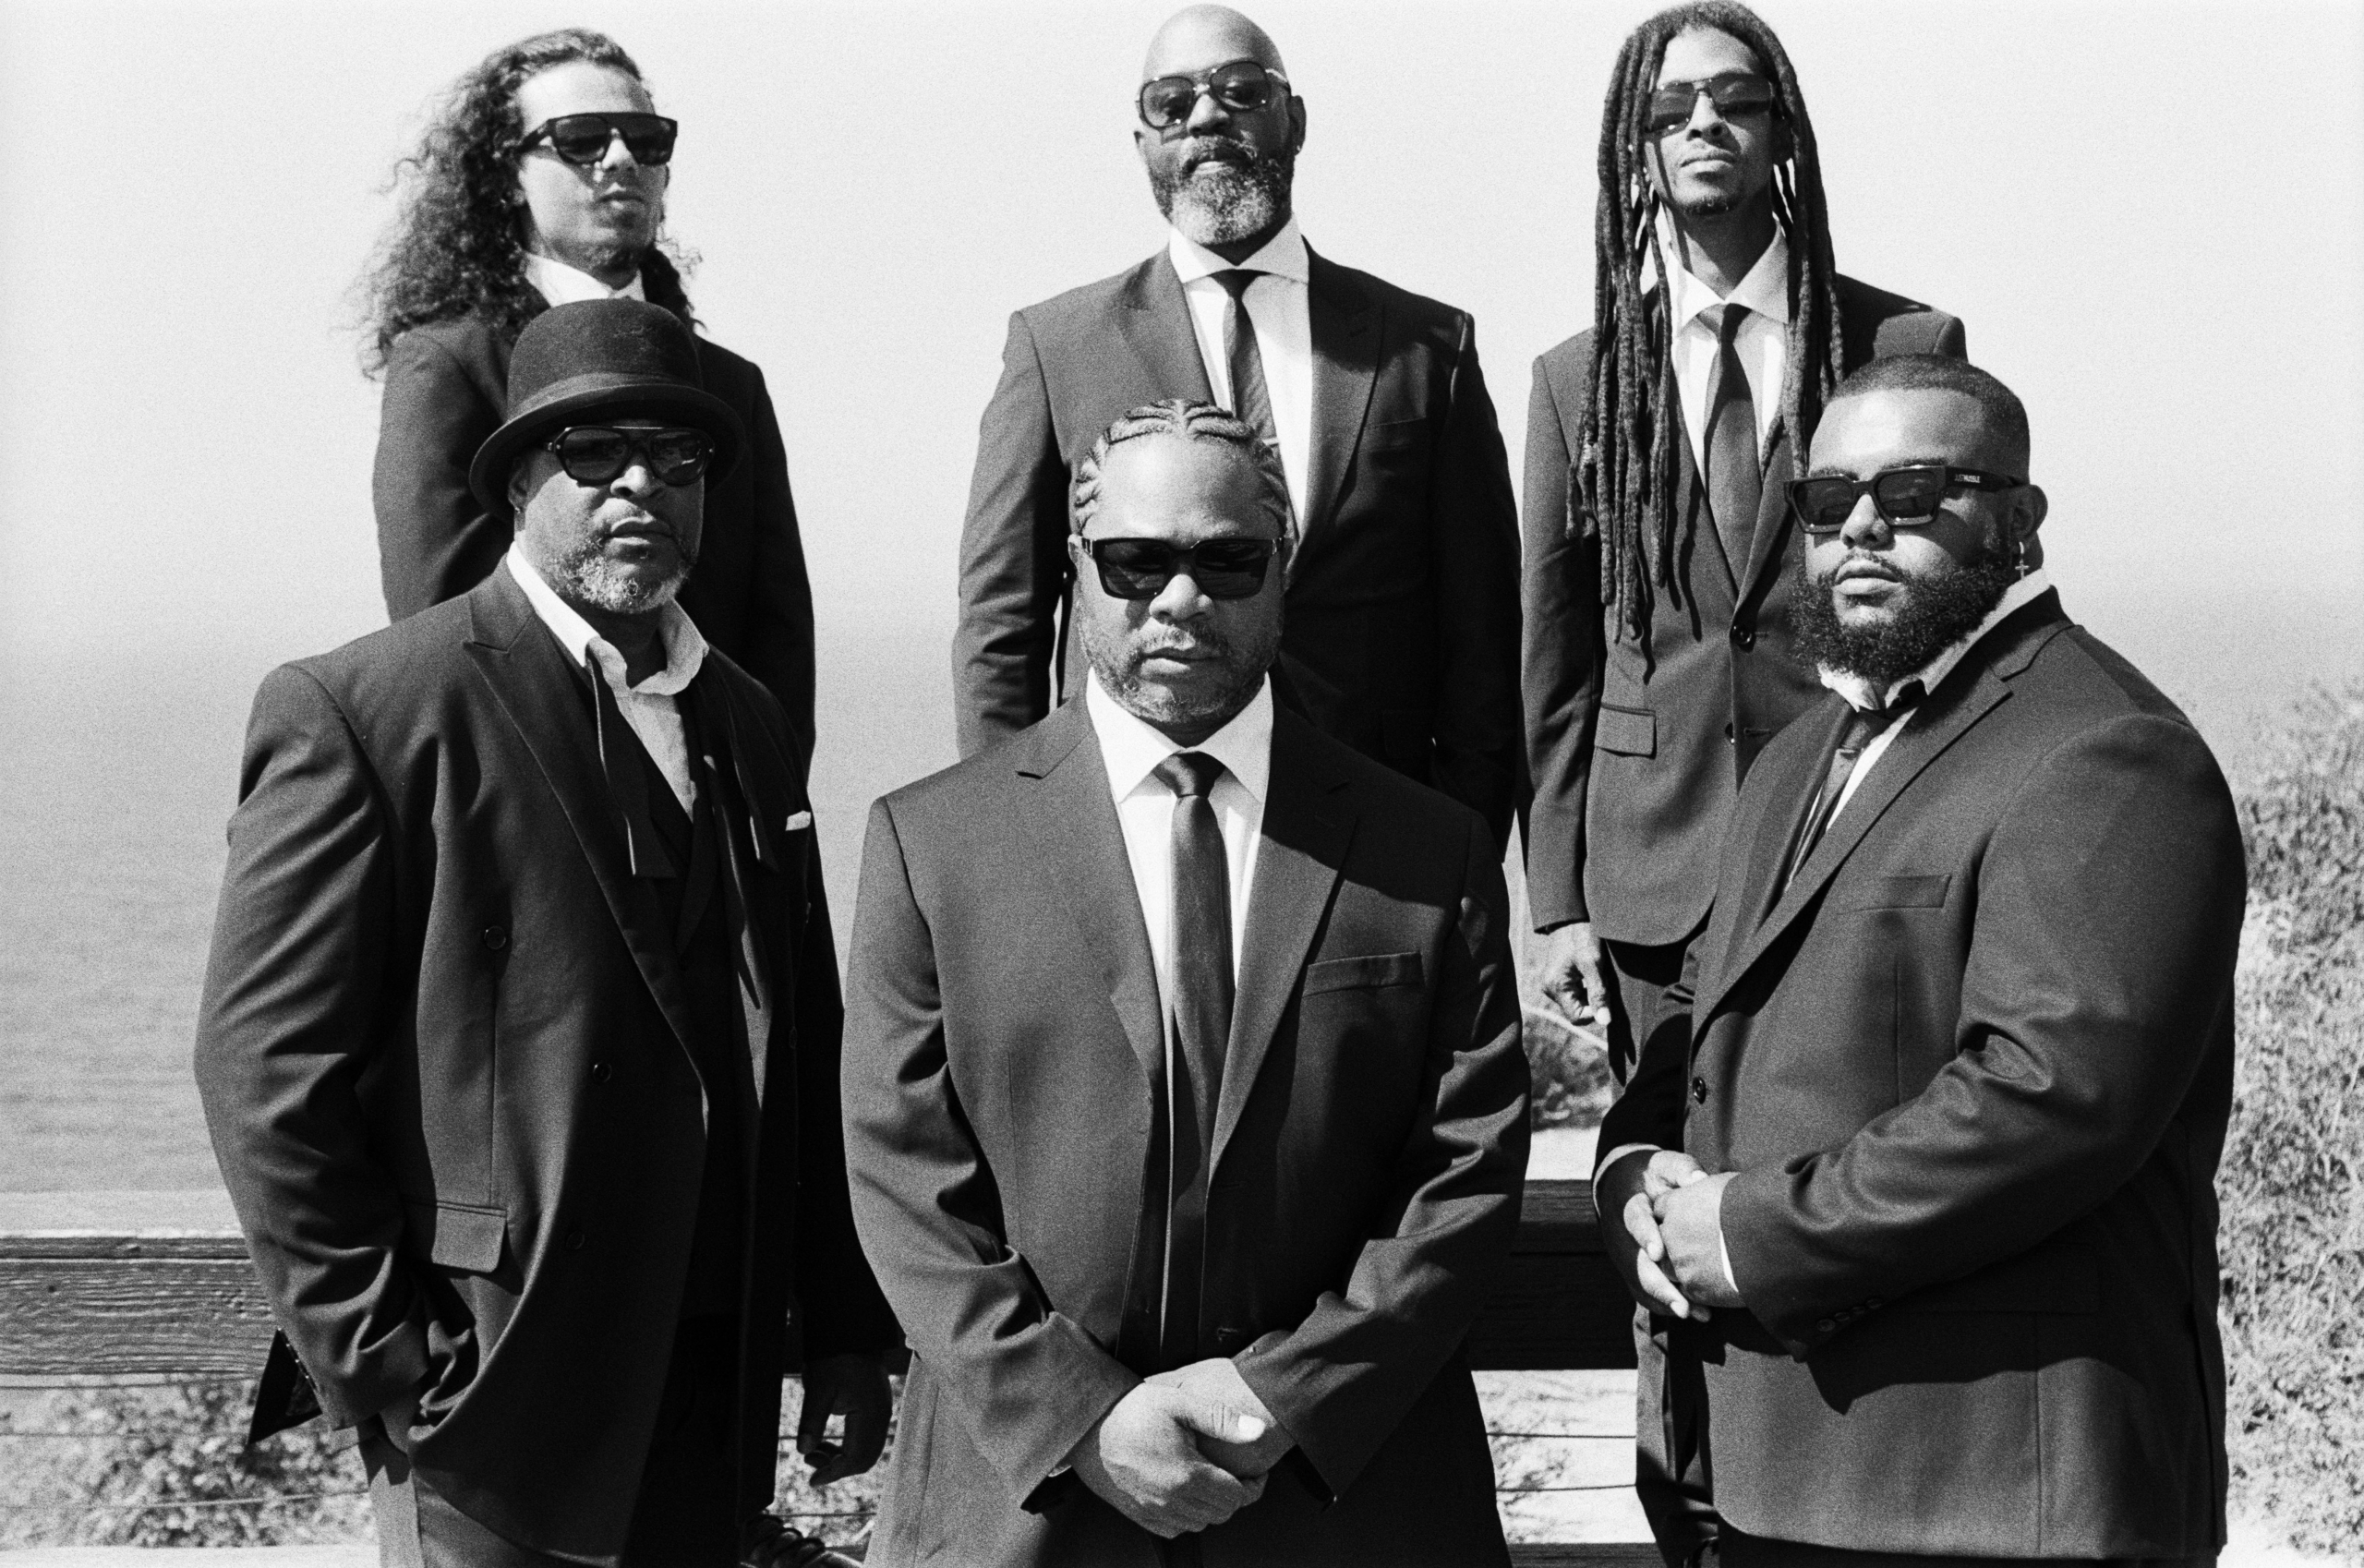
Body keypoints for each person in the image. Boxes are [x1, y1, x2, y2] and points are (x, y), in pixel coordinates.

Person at [195, 300, 897, 1568]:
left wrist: (843, 1327)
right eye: (594, 450)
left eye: (678, 457)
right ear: (519, 479)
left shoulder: (745, 716)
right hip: (489, 1396)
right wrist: (384, 1356)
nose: (641, 484)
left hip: (714, 1380)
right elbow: (264, 1072)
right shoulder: (368, 710)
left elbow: (804, 1031)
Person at [846, 399, 1531, 1565]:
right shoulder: (932, 846)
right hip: (1027, 1512)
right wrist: (1081, 1420)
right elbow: (901, 1172)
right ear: (1075, 566)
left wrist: (1284, 1398)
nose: (1179, 598)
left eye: (1226, 561)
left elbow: (1465, 1168)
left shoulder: (1427, 851)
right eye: (1134, 561)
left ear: (1283, 568)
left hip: (1346, 1506)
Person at [1596, 356, 2245, 1566]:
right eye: (1824, 498)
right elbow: (1698, 1012)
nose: (1858, 527)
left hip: (1996, 1503)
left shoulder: (2110, 750)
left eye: (1909, 491)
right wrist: (1631, 1175)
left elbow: (2046, 1102)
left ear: (2020, 518)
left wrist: (1744, 1236)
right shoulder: (1795, 762)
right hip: (1767, 1482)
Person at [953, 4, 1522, 848]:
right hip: (1135, 820)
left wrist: (1464, 843)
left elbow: (1484, 634)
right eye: (1172, 102)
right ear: (1143, 144)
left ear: (1295, 119)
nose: (1207, 116)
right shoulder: (1057, 348)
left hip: (1376, 840)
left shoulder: (1426, 348)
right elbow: (1002, 626)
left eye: (1241, 90)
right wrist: (1014, 842)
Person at [1524, 0, 1968, 1067]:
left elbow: (1957, 617)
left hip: (1852, 842)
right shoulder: (1575, 381)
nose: (1702, 122)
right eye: (1670, 107)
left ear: (1782, 131)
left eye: (1734, 99)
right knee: (1660, 1154)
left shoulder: (1900, 346)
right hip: (1649, 875)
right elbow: (1553, 659)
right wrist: (1555, 903)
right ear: (1635, 148)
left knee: (1844, 1149)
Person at [364, 28, 821, 778]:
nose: (619, 159)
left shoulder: (729, 384)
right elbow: (445, 626)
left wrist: (768, 812)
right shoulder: (450, 365)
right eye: (580, 139)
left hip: (716, 805)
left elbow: (778, 643)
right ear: (507, 176)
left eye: (645, 139)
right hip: (535, 793)